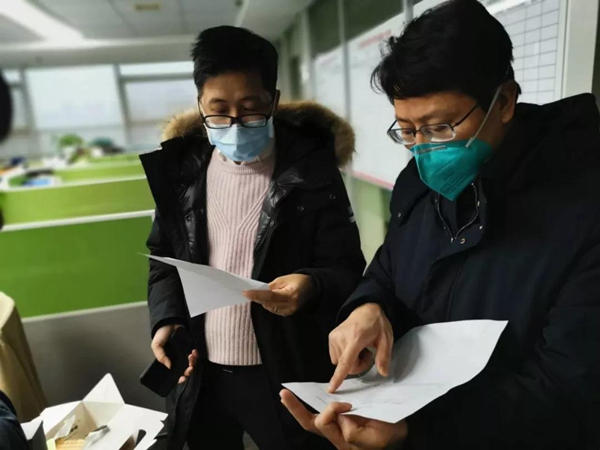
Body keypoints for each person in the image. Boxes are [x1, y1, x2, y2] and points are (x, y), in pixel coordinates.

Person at [281, 0, 600, 449]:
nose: (424, 149)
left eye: (440, 127)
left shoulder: (583, 208)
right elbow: (387, 269)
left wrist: (420, 428)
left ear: (503, 102)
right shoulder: (417, 183)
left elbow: (570, 392)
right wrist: (368, 308)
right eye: (408, 131)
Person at [140, 26, 365, 450]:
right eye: (218, 111)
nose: (235, 124)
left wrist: (311, 284)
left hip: (285, 373)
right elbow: (163, 257)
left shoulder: (311, 172)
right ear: (199, 104)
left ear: (273, 101)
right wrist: (167, 318)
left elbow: (348, 270)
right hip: (202, 373)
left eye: (250, 109)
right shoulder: (182, 173)